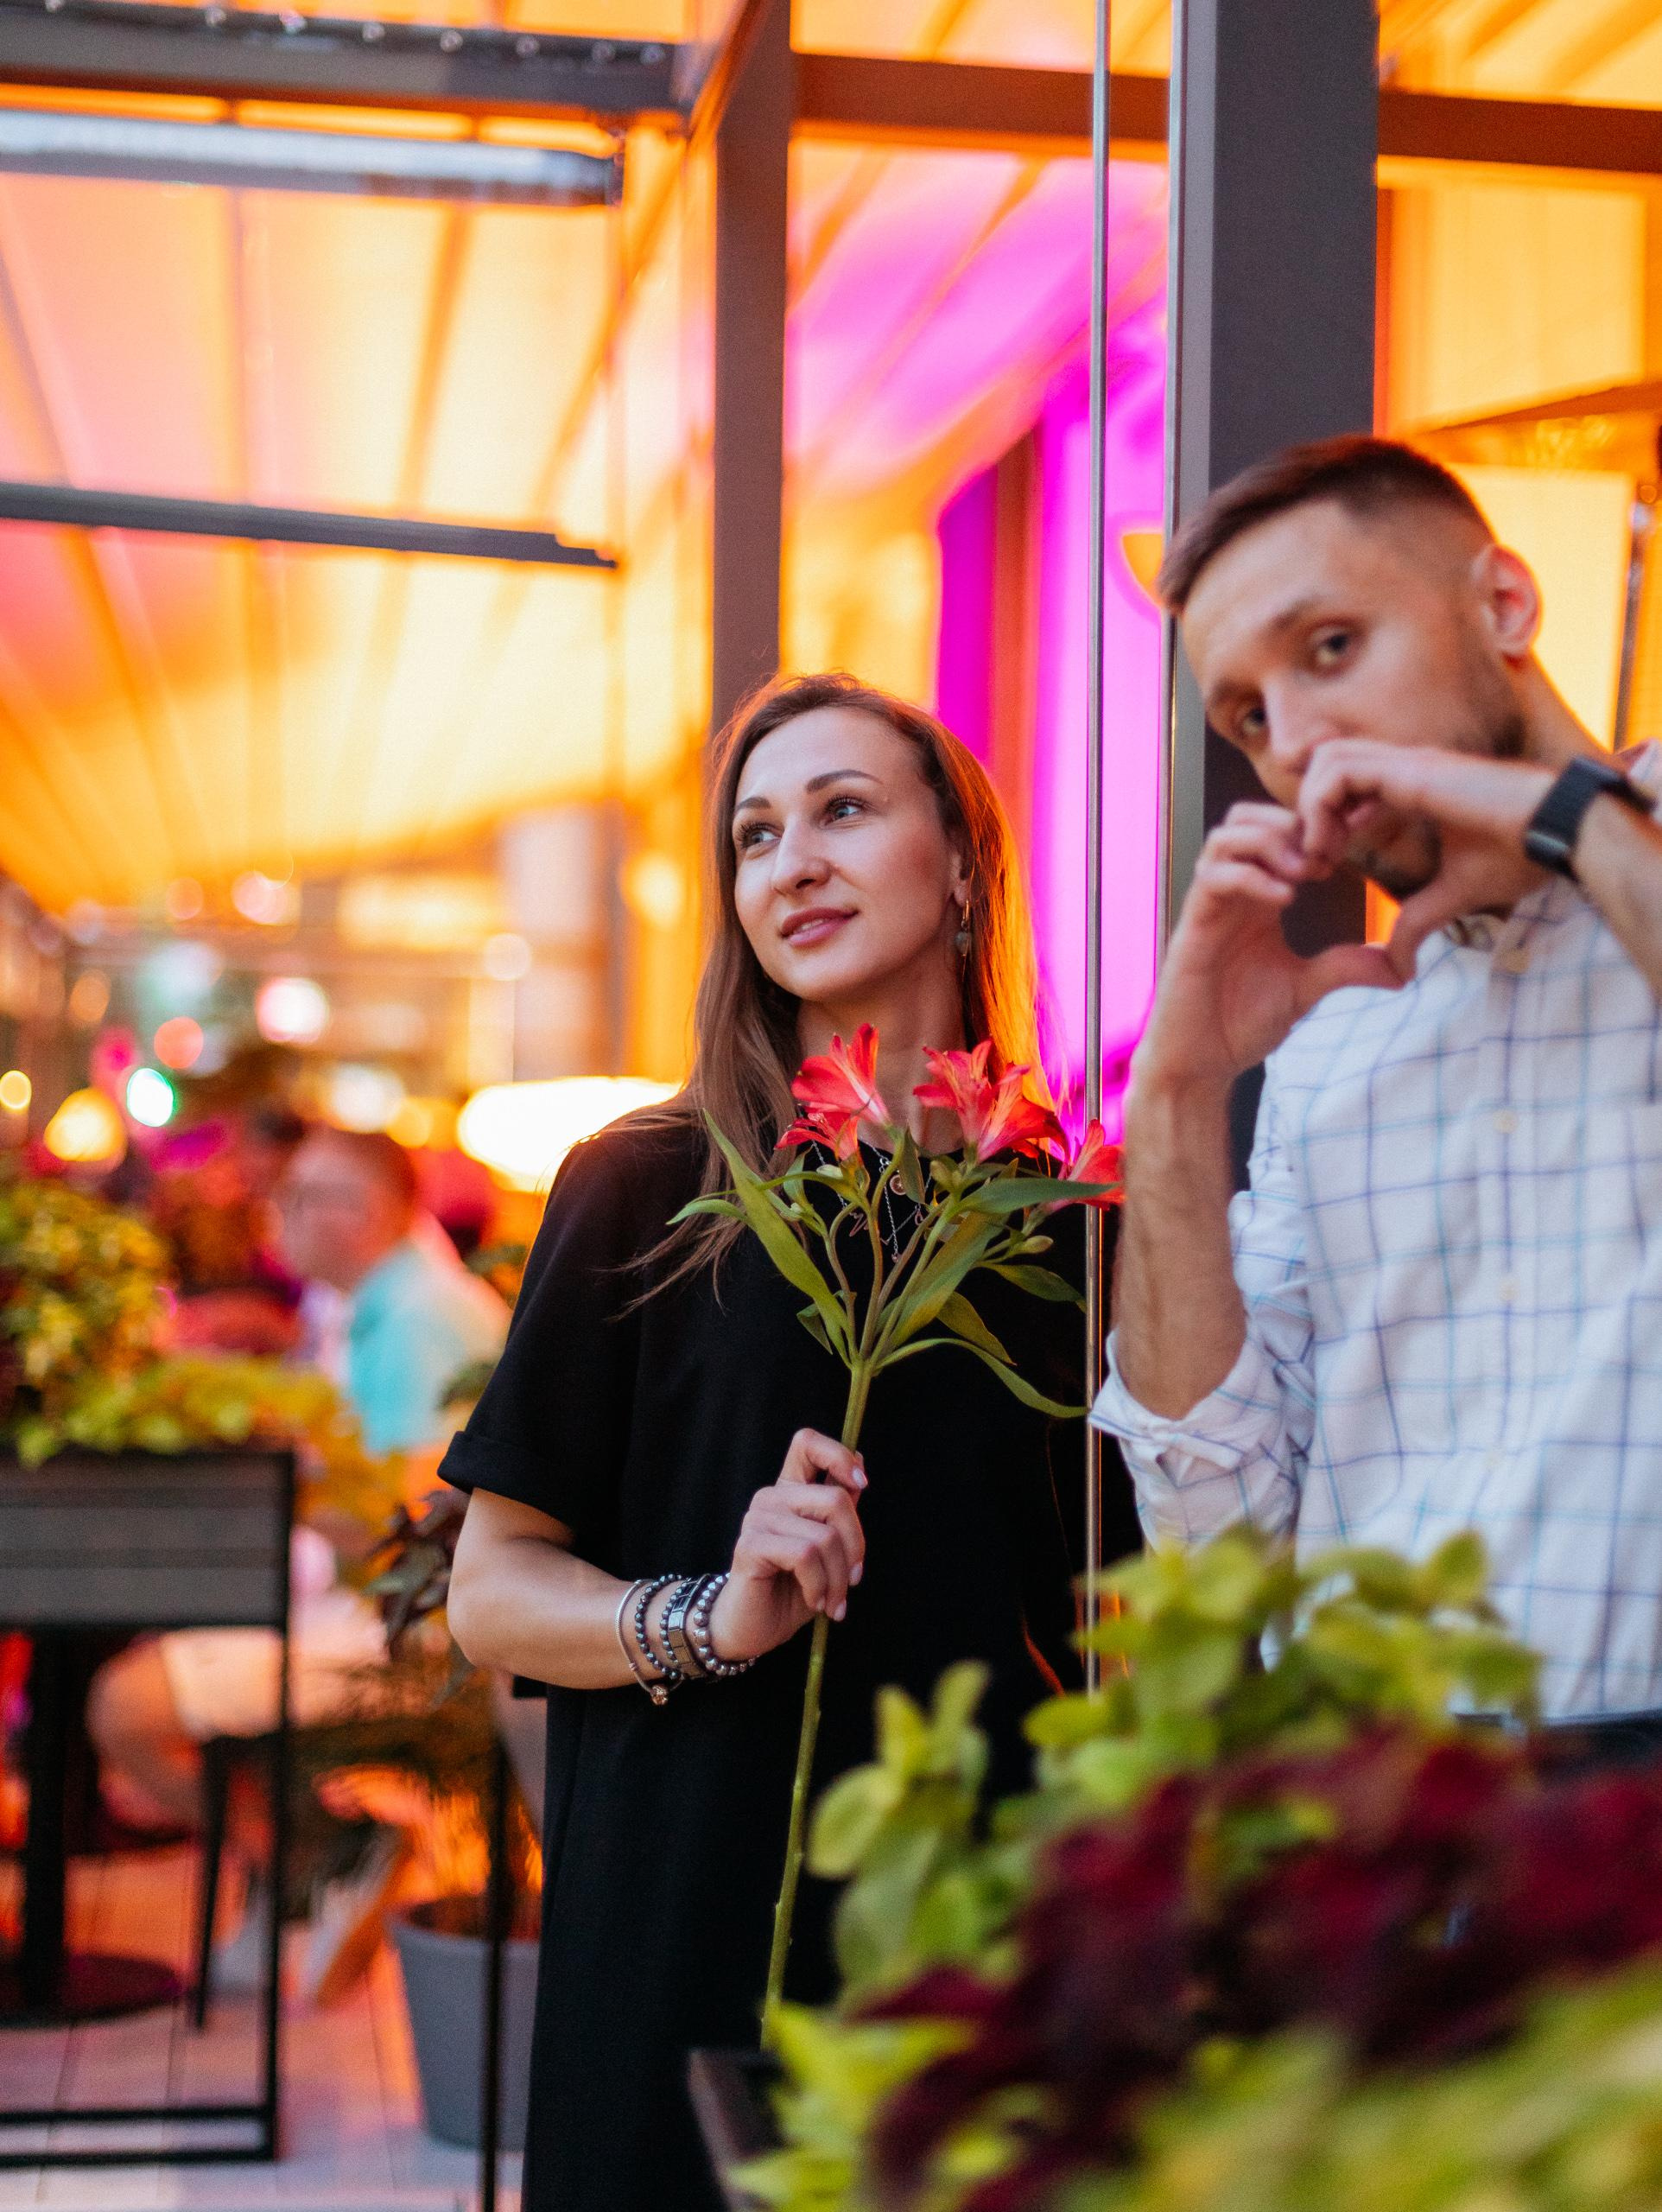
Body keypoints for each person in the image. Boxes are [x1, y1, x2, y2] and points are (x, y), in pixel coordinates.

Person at [442, 672, 1139, 2212]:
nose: (790, 864)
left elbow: (1118, 1618)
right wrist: (710, 1613)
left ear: (961, 864)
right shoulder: (641, 1182)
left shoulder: (1068, 1223)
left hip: (964, 1918)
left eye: (841, 811)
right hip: (691, 1912)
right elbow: (489, 1594)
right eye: (753, 837)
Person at [1094, 433, 1662, 1751]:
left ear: (1504, 605)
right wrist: (1175, 1100)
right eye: (1247, 715)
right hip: (1385, 1833)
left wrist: (1568, 817)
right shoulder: (1331, 1043)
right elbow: (1216, 1548)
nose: (1294, 741)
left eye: (1331, 649)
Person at [90, 1128, 508, 1832]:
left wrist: (272, 1470)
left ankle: (305, 1858)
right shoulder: (389, 1304)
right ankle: (312, 1858)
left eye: (296, 1196)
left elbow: (418, 1523)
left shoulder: (423, 1317)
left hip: (419, 1638)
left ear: (363, 1212)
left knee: (123, 1704)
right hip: (384, 1611)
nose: (273, 1211)